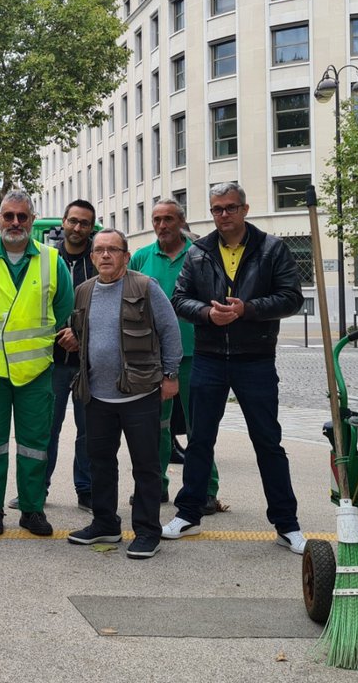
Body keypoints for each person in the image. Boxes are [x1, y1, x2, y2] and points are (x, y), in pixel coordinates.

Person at [162, 182, 307, 554]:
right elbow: (179, 299)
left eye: (229, 207)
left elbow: (292, 298)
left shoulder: (272, 249)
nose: (223, 215)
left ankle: (287, 524)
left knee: (268, 442)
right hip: (209, 357)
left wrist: (248, 309)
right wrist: (207, 314)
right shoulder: (198, 252)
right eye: (217, 209)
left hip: (255, 358)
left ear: (244, 209)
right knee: (200, 440)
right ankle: (188, 514)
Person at [0, 189, 74, 537]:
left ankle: (32, 509)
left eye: (22, 216)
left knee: (35, 445)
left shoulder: (52, 261)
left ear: (33, 220)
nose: (16, 222)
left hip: (36, 371)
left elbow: (63, 308)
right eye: (9, 216)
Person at [60, 229, 182, 559]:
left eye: (112, 250)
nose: (105, 255)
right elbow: (83, 333)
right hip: (97, 396)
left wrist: (171, 375)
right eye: (99, 250)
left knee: (146, 466)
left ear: (126, 256)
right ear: (92, 257)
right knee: (100, 463)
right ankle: (105, 524)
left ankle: (147, 531)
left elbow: (169, 330)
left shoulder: (145, 286)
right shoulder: (84, 291)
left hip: (140, 394)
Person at [129, 198, 226, 513]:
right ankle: (154, 486)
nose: (162, 225)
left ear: (181, 221)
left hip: (196, 354)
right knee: (155, 426)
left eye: (168, 219)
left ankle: (205, 490)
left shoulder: (202, 254)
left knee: (199, 426)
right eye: (156, 219)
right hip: (151, 357)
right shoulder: (141, 257)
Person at [10, 199, 96, 513]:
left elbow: (109, 308)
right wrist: (61, 333)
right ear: (63, 221)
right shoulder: (45, 258)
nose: (77, 227)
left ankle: (87, 490)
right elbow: (33, 305)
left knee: (89, 432)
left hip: (91, 363)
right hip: (52, 361)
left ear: (91, 227)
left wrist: (81, 336)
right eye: (73, 220)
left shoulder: (99, 259)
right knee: (45, 430)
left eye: (84, 223)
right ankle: (36, 490)